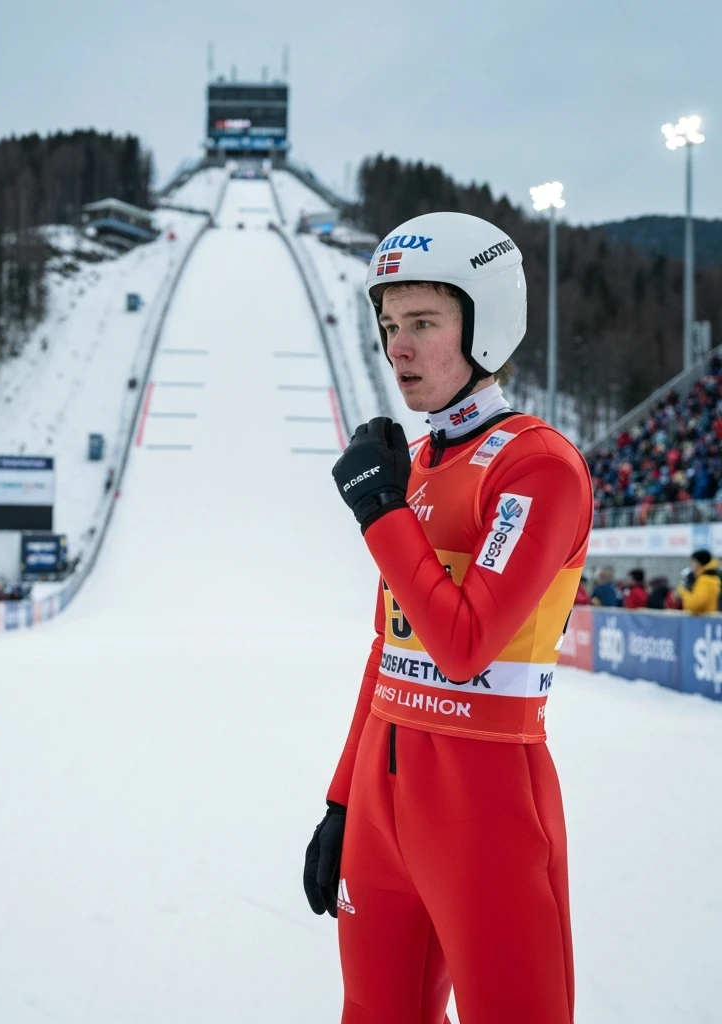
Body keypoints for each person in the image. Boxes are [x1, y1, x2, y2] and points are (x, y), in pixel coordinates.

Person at [305, 211, 593, 1024]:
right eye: (391, 325)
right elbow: (390, 651)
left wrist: (380, 515)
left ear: (488, 325)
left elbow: (464, 645)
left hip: (485, 801)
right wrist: (341, 801)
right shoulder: (421, 464)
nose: (398, 347)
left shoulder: (538, 468)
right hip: (382, 797)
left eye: (424, 323)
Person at [676, 549, 721, 615]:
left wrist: (683, 592)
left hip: (704, 621)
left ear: (699, 563)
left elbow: (695, 605)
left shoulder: (705, 580)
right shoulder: (712, 578)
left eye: (693, 563)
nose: (692, 566)